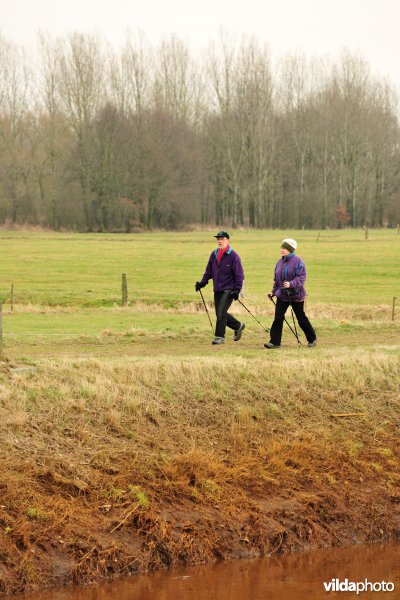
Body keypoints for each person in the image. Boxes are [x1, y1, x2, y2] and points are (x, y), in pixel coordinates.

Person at [265, 238, 317, 349]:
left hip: (296, 295)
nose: (282, 250)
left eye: (285, 248)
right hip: (282, 295)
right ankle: (274, 342)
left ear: (291, 250)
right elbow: (277, 280)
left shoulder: (298, 261)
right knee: (278, 318)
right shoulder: (280, 262)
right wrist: (273, 292)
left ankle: (312, 339)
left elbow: (302, 278)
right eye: (282, 247)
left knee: (301, 318)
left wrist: (291, 284)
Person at [195, 231, 245, 345]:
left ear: (228, 240)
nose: (220, 241)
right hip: (217, 288)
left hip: (229, 289)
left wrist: (237, 289)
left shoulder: (234, 256)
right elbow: (209, 271)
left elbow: (239, 275)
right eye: (218, 239)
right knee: (219, 313)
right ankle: (238, 325)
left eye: (222, 239)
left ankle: (219, 337)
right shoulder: (214, 254)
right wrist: (202, 283)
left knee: (221, 312)